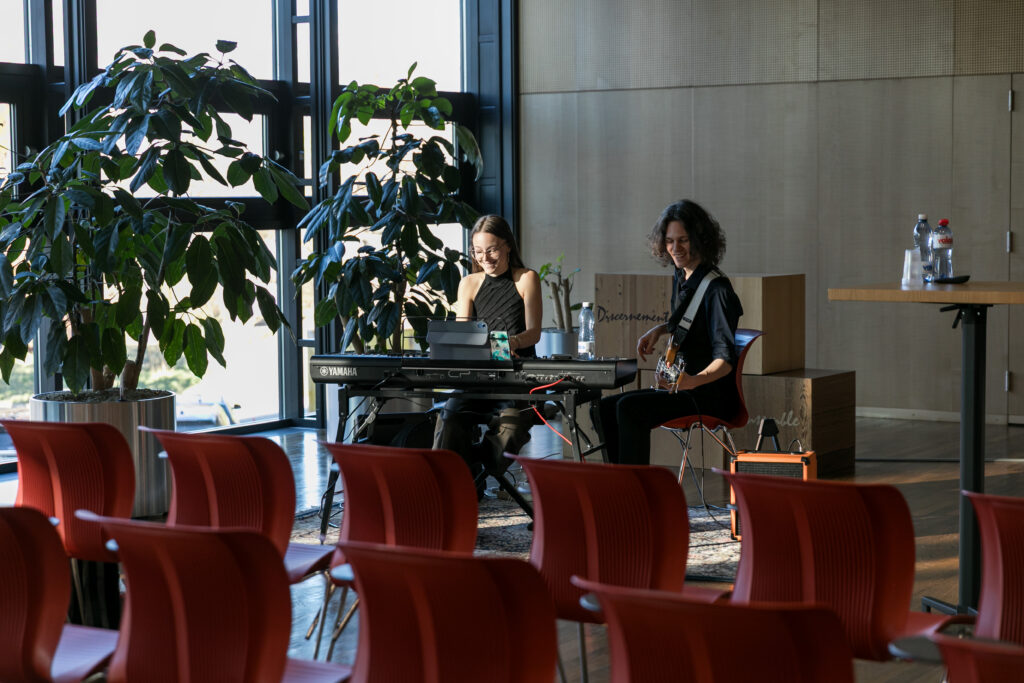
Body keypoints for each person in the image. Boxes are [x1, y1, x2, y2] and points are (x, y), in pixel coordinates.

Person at [593, 199, 743, 465]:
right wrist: (661, 330)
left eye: (683, 240)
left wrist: (692, 381)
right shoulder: (683, 275)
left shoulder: (718, 290)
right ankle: (618, 481)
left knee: (629, 409)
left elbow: (725, 361)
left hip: (708, 395)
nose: (675, 248)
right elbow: (693, 321)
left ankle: (636, 486)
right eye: (670, 241)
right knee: (603, 408)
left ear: (700, 240)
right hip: (683, 388)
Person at [433, 215, 542, 490]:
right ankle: (452, 487)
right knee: (450, 418)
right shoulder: (468, 283)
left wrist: (510, 343)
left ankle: (470, 469)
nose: (485, 258)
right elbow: (463, 336)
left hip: (517, 379)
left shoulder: (526, 278)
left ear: (508, 246)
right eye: (478, 252)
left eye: (492, 250)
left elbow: (534, 333)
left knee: (512, 428)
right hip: (478, 377)